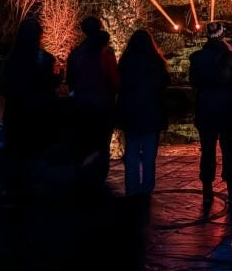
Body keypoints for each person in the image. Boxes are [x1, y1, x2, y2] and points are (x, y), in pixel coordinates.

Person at [0, 18, 60, 198]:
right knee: (37, 157)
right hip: (38, 115)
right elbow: (49, 86)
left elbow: (4, 86)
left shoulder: (11, 60)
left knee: (16, 157)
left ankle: (15, 193)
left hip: (16, 115)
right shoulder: (45, 59)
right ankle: (34, 194)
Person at [188, 21, 232, 206]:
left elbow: (193, 82)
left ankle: (207, 190)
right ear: (222, 36)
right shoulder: (231, 57)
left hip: (205, 108)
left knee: (207, 150)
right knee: (229, 151)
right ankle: (231, 189)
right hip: (227, 108)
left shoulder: (197, 57)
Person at [66, 16, 120, 189]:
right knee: (102, 144)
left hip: (81, 105)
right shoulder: (106, 53)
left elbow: (70, 80)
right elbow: (114, 81)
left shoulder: (76, 53)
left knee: (83, 143)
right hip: (102, 106)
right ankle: (98, 179)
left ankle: (83, 177)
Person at [117, 29, 171, 199]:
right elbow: (165, 83)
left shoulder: (126, 61)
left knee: (132, 149)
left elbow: (119, 83)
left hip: (130, 110)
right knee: (149, 151)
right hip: (151, 110)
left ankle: (132, 187)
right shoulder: (156, 61)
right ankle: (147, 185)